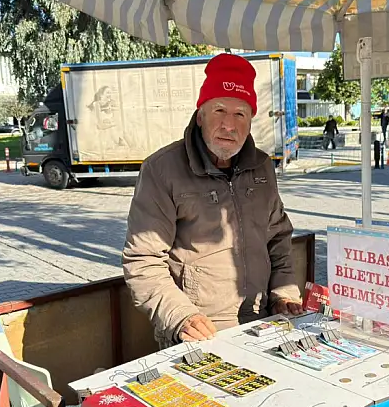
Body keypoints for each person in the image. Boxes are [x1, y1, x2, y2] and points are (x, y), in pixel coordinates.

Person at [122, 53, 303, 348]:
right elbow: (143, 259)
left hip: (262, 323)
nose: (228, 125)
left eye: (240, 114)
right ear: (200, 115)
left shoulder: (262, 167)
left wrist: (284, 294)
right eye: (219, 110)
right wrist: (180, 316)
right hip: (200, 331)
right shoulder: (162, 169)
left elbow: (279, 240)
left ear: (250, 121)